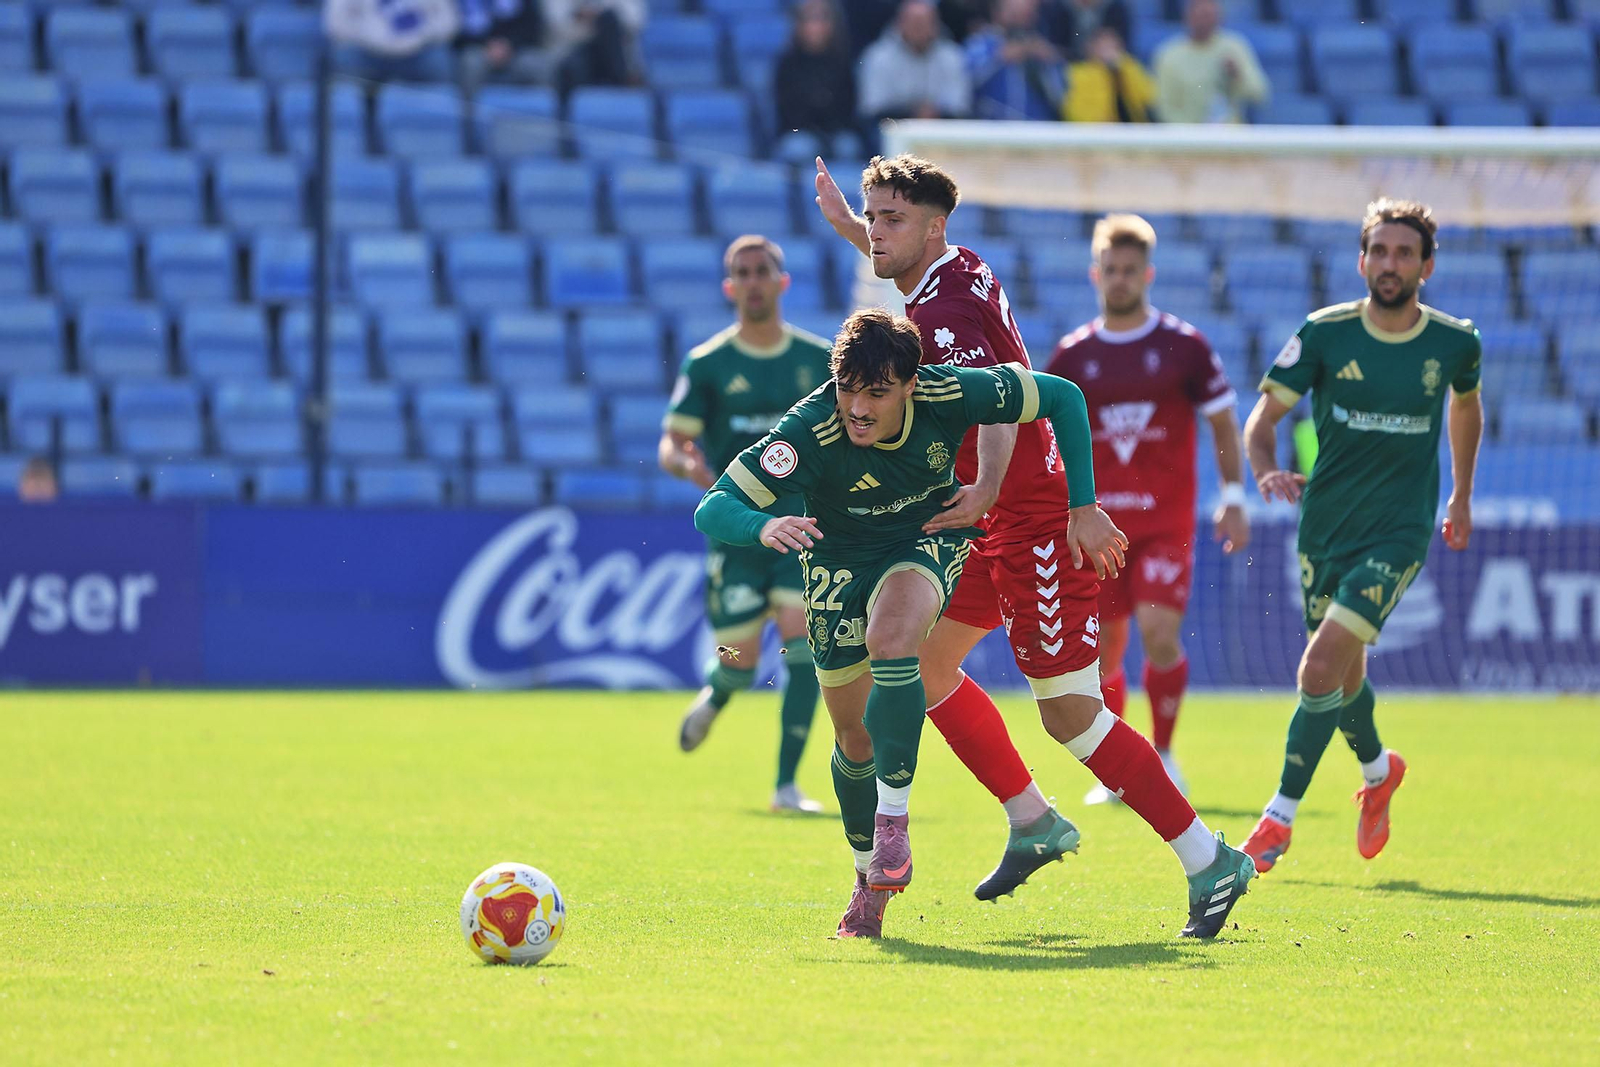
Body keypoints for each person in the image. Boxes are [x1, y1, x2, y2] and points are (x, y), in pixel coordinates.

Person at [814, 154, 1256, 938]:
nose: (879, 233)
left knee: (1072, 714)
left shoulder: (942, 314)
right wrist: (859, 233)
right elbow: (926, 285)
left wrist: (996, 491)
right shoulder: (958, 268)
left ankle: (1209, 858)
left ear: (934, 226)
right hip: (995, 518)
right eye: (874, 218)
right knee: (925, 665)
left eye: (892, 220)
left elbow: (997, 398)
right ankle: (1031, 818)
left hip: (1029, 515)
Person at [693, 308, 1130, 938]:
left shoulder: (949, 391)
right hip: (837, 566)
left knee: (894, 639)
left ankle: (893, 823)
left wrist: (1083, 505)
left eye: (876, 393)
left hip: (924, 542)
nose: (858, 409)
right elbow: (715, 507)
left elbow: (1062, 396)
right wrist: (762, 524)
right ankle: (866, 876)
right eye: (848, 390)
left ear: (909, 384)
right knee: (853, 740)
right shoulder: (811, 428)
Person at [1239, 198, 1483, 874]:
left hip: (1398, 532)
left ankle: (1276, 820)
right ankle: (1379, 771)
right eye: (1379, 251)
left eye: (1405, 253)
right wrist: (1265, 471)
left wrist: (1461, 493)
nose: (1390, 263)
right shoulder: (1323, 333)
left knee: (1317, 668)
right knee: (1344, 680)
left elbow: (1467, 406)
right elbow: (1258, 424)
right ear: (1361, 260)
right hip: (1325, 527)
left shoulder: (1455, 342)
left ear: (1426, 266)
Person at [1046, 214, 1248, 803]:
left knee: (1160, 635)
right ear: (1095, 274)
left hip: (1164, 524)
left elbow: (1222, 421)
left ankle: (1162, 753)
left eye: (1131, 270)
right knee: (1105, 647)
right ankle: (1120, 766)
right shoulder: (1073, 353)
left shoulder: (1183, 347)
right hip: (1097, 525)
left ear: (1148, 274)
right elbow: (1046, 434)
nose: (1120, 279)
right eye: (1111, 269)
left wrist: (1234, 496)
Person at [662, 236, 834, 815]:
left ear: (783, 282)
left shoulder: (818, 360)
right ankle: (719, 693)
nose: (754, 281)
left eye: (763, 271)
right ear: (729, 287)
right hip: (736, 530)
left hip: (801, 527)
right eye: (743, 273)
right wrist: (684, 462)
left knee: (801, 644)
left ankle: (786, 786)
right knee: (739, 664)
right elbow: (674, 438)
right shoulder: (708, 364)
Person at [773, 0, 864, 165]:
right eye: (810, 20)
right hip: (800, 131)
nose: (815, 27)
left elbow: (849, 104)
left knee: (848, 147)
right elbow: (786, 109)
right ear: (799, 26)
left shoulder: (842, 61)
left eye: (821, 20)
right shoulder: (787, 64)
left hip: (836, 131)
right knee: (799, 149)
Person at [1152, 0, 1267, 125]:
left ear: (1219, 18)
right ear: (1188, 16)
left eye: (1209, 15)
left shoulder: (1234, 47)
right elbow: (1163, 108)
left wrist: (1238, 75)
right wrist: (1192, 134)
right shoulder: (1169, 54)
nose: (1204, 22)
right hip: (1186, 137)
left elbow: (1259, 94)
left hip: (1231, 135)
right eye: (1200, 15)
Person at [858, 0, 972, 125]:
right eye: (914, 23)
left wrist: (932, 112)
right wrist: (913, 114)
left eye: (924, 23)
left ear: (936, 25)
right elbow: (872, 108)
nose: (919, 28)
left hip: (942, 130)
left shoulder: (952, 57)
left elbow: (960, 106)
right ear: (899, 23)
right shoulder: (878, 57)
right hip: (892, 129)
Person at [963, 0, 1065, 122]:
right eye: (1014, 11)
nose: (1022, 16)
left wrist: (1050, 61)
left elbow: (1060, 95)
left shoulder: (1040, 48)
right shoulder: (981, 43)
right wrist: (1000, 57)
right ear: (998, 12)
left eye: (1027, 12)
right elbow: (965, 81)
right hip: (992, 128)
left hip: (1037, 129)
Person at [324, 0, 459, 82]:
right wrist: (372, 37)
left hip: (420, 54)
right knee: (345, 56)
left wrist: (419, 36)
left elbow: (449, 22)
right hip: (366, 54)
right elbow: (335, 24)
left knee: (439, 59)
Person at [1061, 26, 1156, 123]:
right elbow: (1076, 112)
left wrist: (1124, 65)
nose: (1108, 52)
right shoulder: (1079, 73)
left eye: (1112, 46)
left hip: (1133, 129)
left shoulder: (1128, 67)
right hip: (1098, 131)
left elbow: (1148, 96)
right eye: (1103, 46)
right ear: (1091, 48)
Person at [457, 0, 547, 91]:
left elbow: (533, 28)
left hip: (516, 50)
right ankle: (468, 105)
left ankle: (544, 104)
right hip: (481, 49)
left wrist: (510, 45)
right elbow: (460, 31)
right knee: (471, 62)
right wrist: (489, 46)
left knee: (537, 65)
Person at [1050, 0, 1132, 63]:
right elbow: (1055, 46)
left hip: (1107, 64)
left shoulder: (1115, 8)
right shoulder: (1060, 8)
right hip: (1070, 65)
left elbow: (1122, 43)